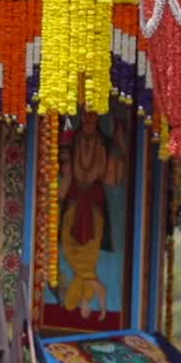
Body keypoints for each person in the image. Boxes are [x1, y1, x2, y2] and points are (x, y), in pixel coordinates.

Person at [58, 111, 128, 320]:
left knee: (91, 247)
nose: (87, 118)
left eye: (92, 114)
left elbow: (114, 175)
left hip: (95, 201)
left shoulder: (106, 143)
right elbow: (64, 171)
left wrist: (118, 142)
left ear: (98, 117)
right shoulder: (70, 140)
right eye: (85, 114)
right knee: (67, 242)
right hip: (74, 197)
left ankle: (74, 291)